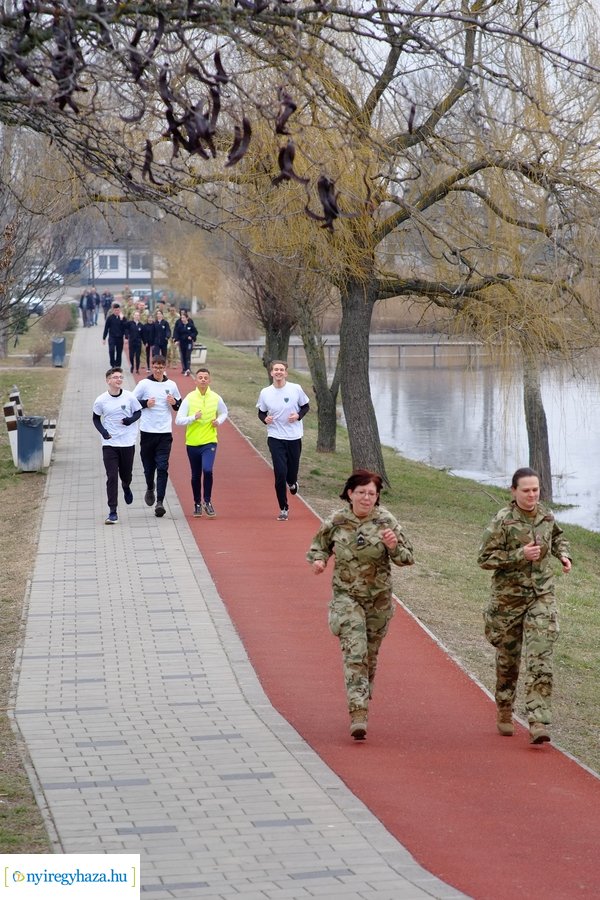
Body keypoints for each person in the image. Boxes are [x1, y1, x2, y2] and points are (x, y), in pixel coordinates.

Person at [306, 470, 414, 740]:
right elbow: (318, 546)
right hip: (346, 598)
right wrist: (319, 561)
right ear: (350, 493)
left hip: (378, 601)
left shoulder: (386, 521)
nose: (367, 498)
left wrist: (393, 546)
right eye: (362, 492)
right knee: (355, 653)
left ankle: (363, 698)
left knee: (370, 657)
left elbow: (406, 558)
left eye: (372, 494)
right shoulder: (337, 520)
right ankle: (358, 712)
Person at [477, 467, 572, 745]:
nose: (532, 495)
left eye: (536, 490)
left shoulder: (545, 515)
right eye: (526, 490)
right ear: (513, 491)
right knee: (508, 661)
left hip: (541, 596)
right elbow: (484, 558)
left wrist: (563, 555)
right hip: (508, 601)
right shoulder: (503, 521)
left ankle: (538, 720)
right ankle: (505, 707)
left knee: (540, 657)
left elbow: (557, 537)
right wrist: (520, 554)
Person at [256, 360, 310, 520]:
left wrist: (298, 416)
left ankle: (293, 483)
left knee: (291, 473)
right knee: (280, 473)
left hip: (294, 437)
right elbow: (261, 412)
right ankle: (283, 508)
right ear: (271, 373)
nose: (278, 372)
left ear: (286, 373)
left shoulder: (296, 389)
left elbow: (306, 406)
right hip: (275, 437)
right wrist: (265, 419)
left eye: (281, 370)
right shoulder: (265, 392)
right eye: (275, 370)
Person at [175, 367, 228, 518]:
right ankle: (197, 503)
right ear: (196, 380)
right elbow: (178, 420)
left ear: (209, 380)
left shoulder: (216, 397)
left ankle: (207, 501)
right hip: (192, 443)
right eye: (200, 378)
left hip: (209, 441)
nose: (203, 380)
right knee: (195, 475)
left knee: (208, 470)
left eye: (206, 377)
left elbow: (224, 412)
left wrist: (218, 421)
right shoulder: (189, 398)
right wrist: (193, 417)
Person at [133, 356, 181, 518]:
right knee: (148, 468)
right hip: (147, 432)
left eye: (161, 367)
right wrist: (145, 403)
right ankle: (149, 487)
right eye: (155, 366)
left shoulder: (171, 385)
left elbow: (178, 406)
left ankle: (160, 502)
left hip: (164, 433)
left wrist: (174, 402)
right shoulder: (144, 384)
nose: (158, 369)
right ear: (151, 367)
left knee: (162, 467)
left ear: (164, 367)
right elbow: (132, 402)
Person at [92, 367, 142, 524]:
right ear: (108, 381)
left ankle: (126, 486)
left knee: (126, 475)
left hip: (127, 442)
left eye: (121, 377)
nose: (119, 379)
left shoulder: (129, 397)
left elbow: (138, 412)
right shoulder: (101, 400)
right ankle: (112, 511)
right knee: (112, 476)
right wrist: (103, 432)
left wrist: (129, 420)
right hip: (110, 443)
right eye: (115, 377)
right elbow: (95, 418)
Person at [172, 309, 198, 376]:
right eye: (181, 317)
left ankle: (188, 369)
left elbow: (195, 332)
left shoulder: (190, 324)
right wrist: (176, 340)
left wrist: (191, 337)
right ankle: (184, 369)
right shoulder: (179, 325)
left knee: (187, 355)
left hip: (189, 342)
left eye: (183, 318)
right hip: (182, 342)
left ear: (187, 318)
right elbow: (176, 333)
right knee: (183, 355)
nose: (182, 319)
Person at [102, 302, 128, 367]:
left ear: (120, 310)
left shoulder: (123, 318)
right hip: (112, 337)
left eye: (118, 310)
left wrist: (126, 338)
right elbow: (106, 328)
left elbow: (125, 328)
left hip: (120, 337)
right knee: (111, 350)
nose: (117, 311)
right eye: (115, 310)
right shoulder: (110, 318)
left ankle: (118, 365)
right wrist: (104, 338)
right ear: (113, 310)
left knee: (119, 352)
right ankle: (112, 364)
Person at [126, 310, 144, 374]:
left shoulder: (141, 325)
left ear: (139, 317)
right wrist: (126, 337)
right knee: (131, 356)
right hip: (131, 342)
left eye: (138, 315)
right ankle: (132, 366)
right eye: (135, 315)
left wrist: (145, 342)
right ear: (133, 316)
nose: (136, 316)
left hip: (138, 343)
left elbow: (143, 335)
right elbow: (126, 330)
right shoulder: (130, 323)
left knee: (137, 356)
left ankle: (137, 369)